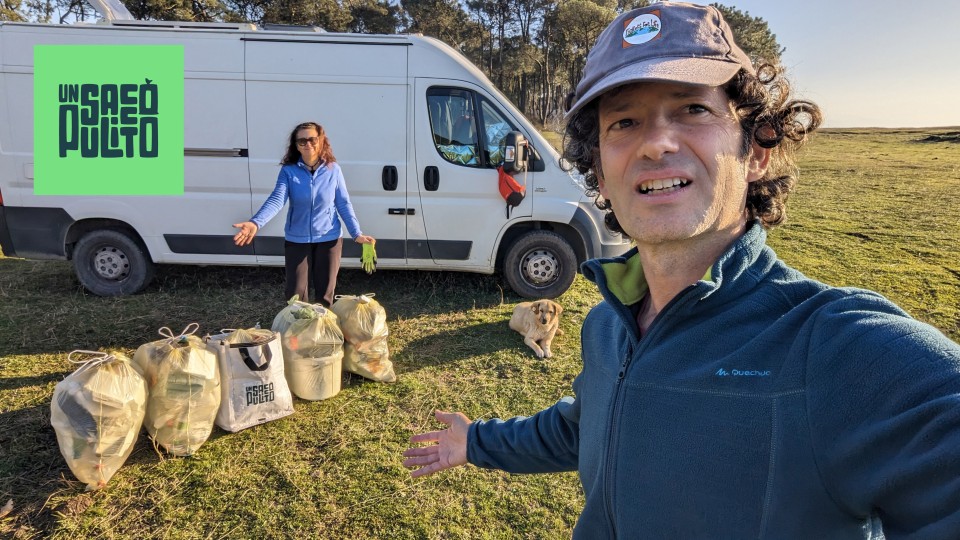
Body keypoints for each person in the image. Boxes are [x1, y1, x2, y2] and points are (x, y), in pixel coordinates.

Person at [402, 2, 960, 537]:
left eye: (693, 109)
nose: (655, 142)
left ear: (758, 148)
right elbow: (588, 423)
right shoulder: (605, 325)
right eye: (623, 122)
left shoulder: (836, 349)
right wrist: (475, 442)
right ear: (600, 170)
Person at [233, 121, 374, 307]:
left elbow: (343, 203)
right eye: (302, 141)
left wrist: (357, 234)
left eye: (312, 139)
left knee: (325, 295)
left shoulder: (333, 170)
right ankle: (298, 334)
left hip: (329, 238)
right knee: (296, 295)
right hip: (297, 240)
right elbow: (277, 199)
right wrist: (255, 223)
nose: (308, 144)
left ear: (321, 140)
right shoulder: (289, 171)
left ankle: (322, 332)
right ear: (296, 145)